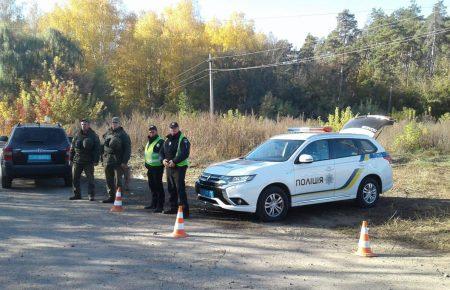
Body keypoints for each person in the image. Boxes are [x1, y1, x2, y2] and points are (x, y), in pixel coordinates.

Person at [159, 122, 190, 218]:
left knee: (180, 188)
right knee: (171, 188)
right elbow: (161, 152)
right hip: (169, 167)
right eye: (172, 128)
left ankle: (184, 211)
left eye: (175, 128)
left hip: (179, 167)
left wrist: (175, 161)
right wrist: (162, 160)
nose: (173, 130)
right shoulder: (167, 139)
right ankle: (173, 208)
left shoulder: (183, 140)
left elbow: (185, 153)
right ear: (169, 129)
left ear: (178, 128)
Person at [101, 117, 131, 203]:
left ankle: (118, 198)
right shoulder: (107, 133)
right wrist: (102, 159)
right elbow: (103, 146)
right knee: (108, 180)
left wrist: (124, 162)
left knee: (118, 181)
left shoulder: (123, 135)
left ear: (119, 124)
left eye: (116, 123)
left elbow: (127, 149)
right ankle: (111, 197)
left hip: (118, 161)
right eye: (113, 122)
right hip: (108, 160)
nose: (114, 124)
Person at [69, 119, 100, 201]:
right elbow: (72, 147)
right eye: (82, 124)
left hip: (88, 161)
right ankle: (77, 194)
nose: (83, 125)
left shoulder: (93, 135)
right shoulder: (77, 135)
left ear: (89, 125)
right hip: (77, 160)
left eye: (85, 124)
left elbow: (97, 149)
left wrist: (96, 160)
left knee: (90, 179)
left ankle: (91, 195)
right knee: (75, 178)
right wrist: (70, 159)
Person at [144, 125, 165, 212]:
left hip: (157, 168)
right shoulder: (149, 141)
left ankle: (160, 206)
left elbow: (163, 154)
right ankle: (154, 204)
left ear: (156, 131)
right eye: (150, 131)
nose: (151, 133)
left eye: (153, 131)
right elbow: (148, 153)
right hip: (150, 168)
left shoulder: (160, 141)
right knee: (152, 186)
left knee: (158, 187)